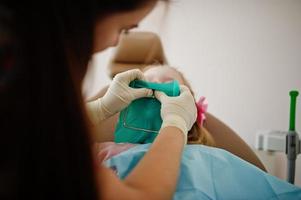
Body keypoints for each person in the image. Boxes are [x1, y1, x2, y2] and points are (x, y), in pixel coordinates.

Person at [0, 1, 200, 200]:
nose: (116, 42)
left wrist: (100, 109)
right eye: (123, 29)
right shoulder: (26, 80)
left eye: (166, 82)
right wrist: (175, 124)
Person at [87, 64, 267, 171]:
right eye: (148, 80)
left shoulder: (201, 157)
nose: (156, 85)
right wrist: (101, 108)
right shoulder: (105, 151)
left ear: (188, 109)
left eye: (168, 83)